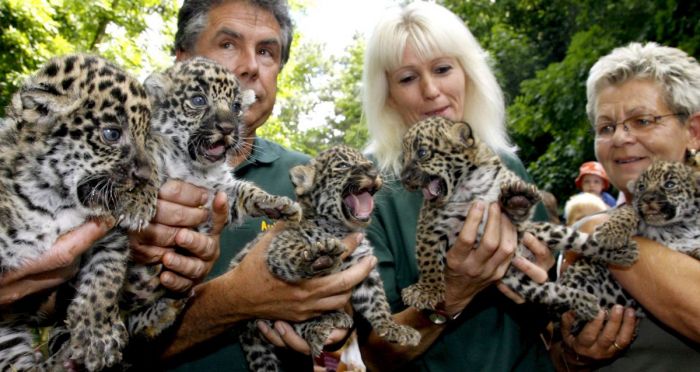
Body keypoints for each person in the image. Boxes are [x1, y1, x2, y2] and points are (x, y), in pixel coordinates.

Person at [127, 1, 376, 370]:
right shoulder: (117, 166)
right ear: (181, 61)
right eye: (228, 44)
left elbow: (356, 342)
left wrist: (333, 319)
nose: (250, 66)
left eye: (266, 51)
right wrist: (236, 300)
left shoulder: (313, 180)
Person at [357, 2, 557, 370]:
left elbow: (548, 315)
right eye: (407, 78)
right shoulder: (370, 190)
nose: (431, 90)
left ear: (468, 73)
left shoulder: (506, 165)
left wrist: (540, 287)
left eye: (443, 69)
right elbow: (374, 354)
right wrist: (452, 292)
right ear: (388, 95)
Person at [550, 42, 700, 371]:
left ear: (693, 131)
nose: (620, 138)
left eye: (643, 120)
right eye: (606, 127)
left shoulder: (589, 233)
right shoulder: (581, 236)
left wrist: (600, 233)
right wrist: (576, 356)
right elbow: (555, 355)